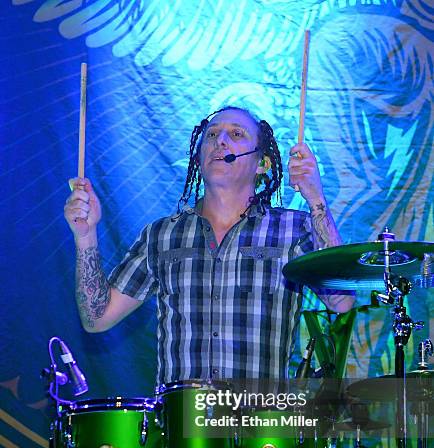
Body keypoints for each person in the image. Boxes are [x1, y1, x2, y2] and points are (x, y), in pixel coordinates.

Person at [64, 106, 353, 385]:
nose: (220, 141)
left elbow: (341, 301)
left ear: (262, 164)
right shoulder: (162, 234)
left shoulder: (294, 229)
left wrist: (316, 198)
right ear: (199, 156)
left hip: (258, 423)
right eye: (212, 135)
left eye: (236, 134)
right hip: (182, 425)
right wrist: (85, 235)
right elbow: (96, 319)